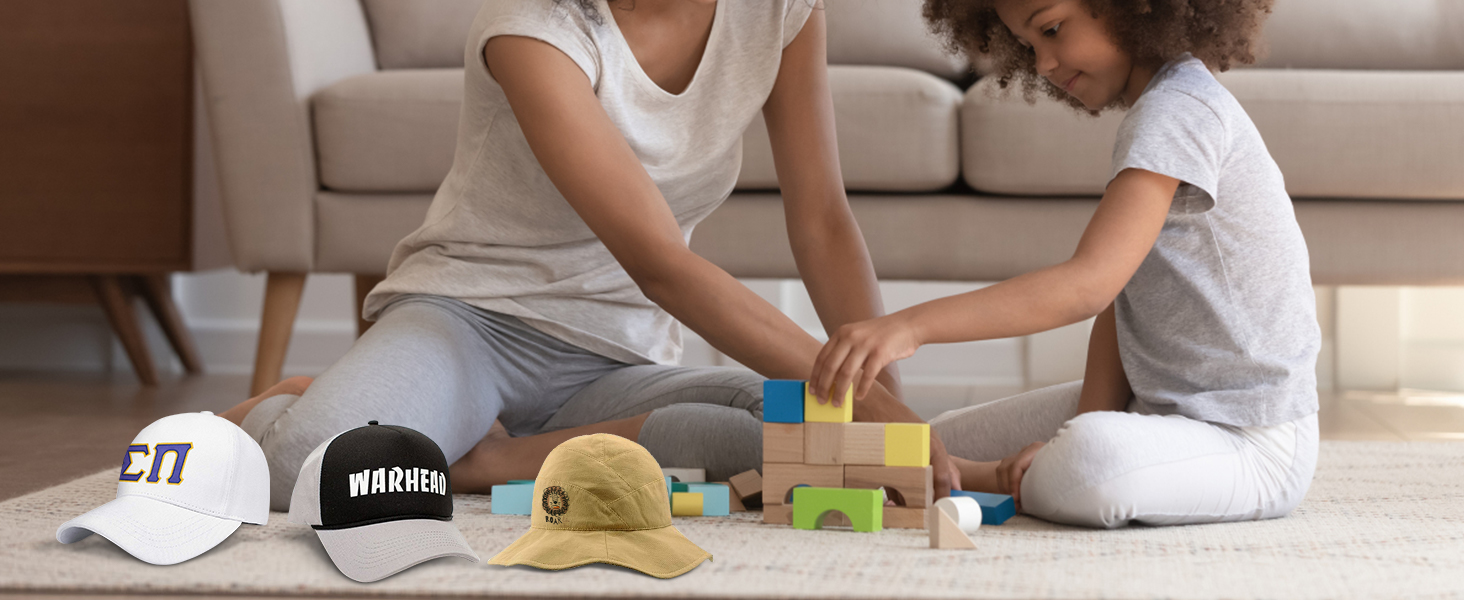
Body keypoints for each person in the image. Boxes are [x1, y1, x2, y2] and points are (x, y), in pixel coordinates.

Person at [221, 0, 958, 511]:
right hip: (472, 323)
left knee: (782, 431)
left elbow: (824, 222)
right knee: (315, 474)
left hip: (617, 359)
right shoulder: (534, 26)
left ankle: (495, 459)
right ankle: (317, 401)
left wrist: (886, 413)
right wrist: (874, 409)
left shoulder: (781, 12)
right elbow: (659, 262)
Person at [807, 0, 1320, 528]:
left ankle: (981, 478)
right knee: (934, 436)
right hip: (1157, 404)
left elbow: (1088, 285)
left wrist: (908, 326)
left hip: (1251, 439)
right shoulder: (1157, 109)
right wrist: (1087, 417)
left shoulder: (1180, 110)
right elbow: (1123, 303)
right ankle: (980, 468)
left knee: (1089, 460)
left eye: (1052, 30)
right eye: (1028, 46)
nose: (1042, 64)